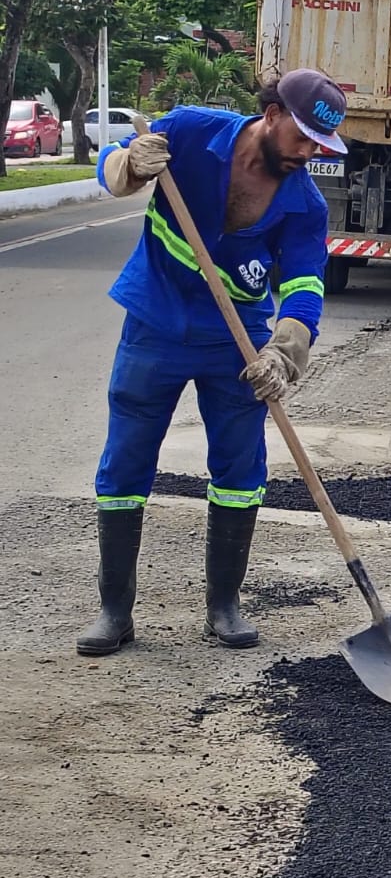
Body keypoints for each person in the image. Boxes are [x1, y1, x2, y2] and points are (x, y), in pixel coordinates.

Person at [77, 69, 346, 656]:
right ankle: (114, 611)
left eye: (320, 145)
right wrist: (128, 164)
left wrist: (287, 351)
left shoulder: (304, 202)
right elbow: (114, 170)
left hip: (238, 341)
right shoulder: (193, 132)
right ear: (271, 115)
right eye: (302, 137)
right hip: (154, 323)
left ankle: (224, 606)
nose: (309, 153)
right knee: (125, 463)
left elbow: (304, 283)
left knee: (238, 469)